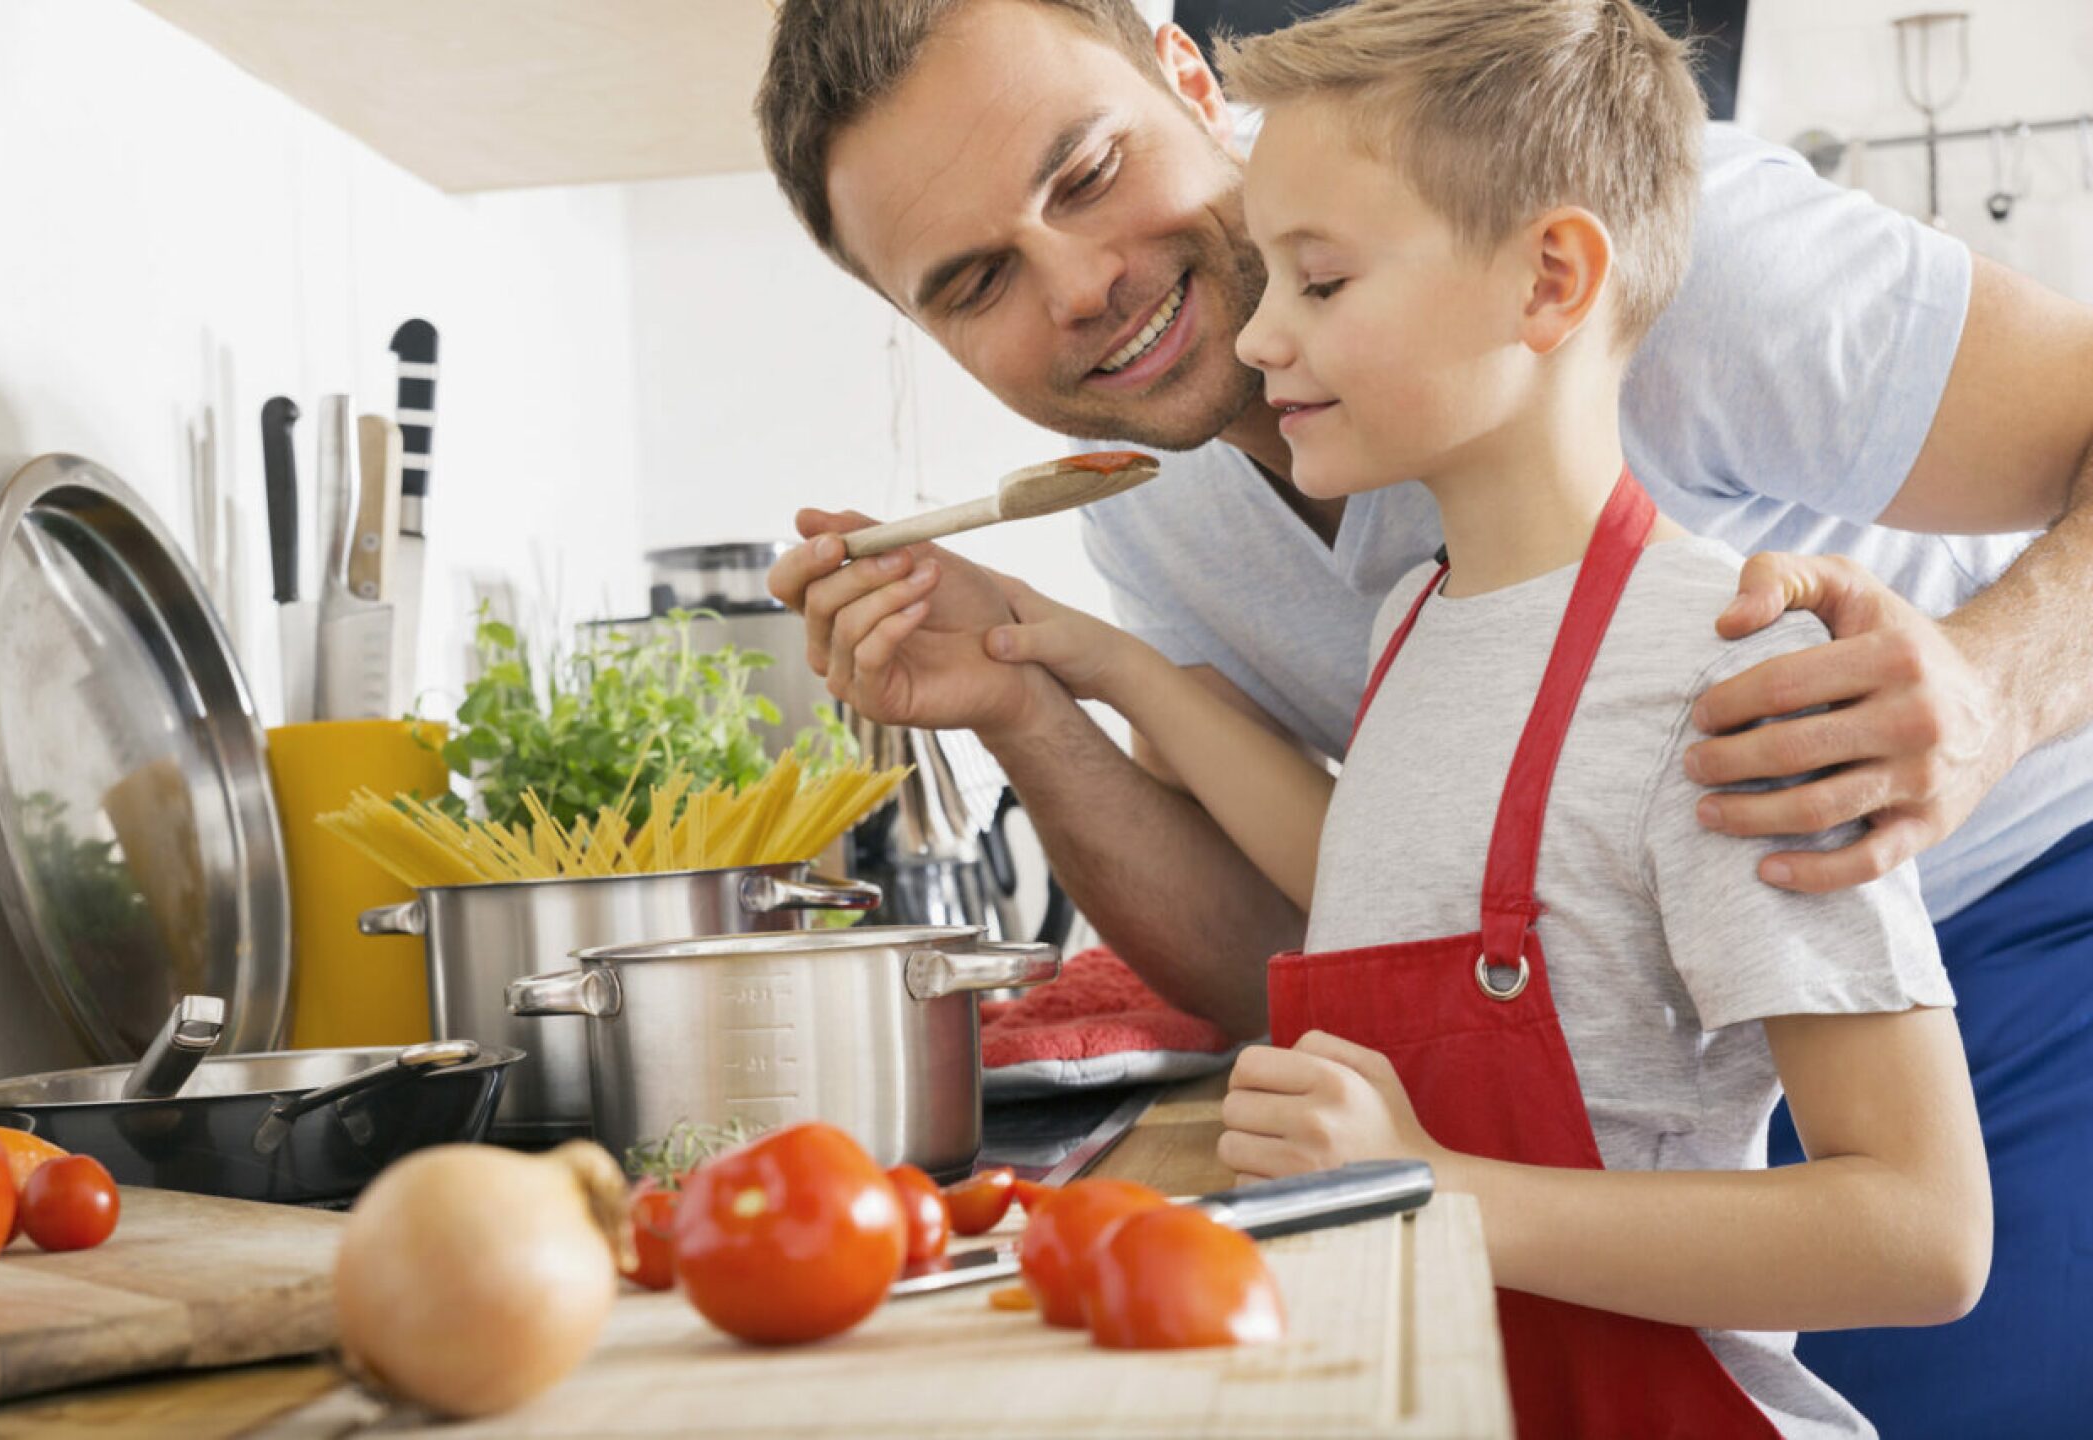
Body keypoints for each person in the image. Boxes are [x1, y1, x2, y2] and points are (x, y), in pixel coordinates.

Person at [755, 1, 2093, 1431]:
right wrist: (1032, 684)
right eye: (971, 280)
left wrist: (1989, 686)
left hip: (2002, 910)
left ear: (1189, 81)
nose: (1078, 287)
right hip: (1633, 1074)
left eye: (1083, 173)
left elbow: (1907, 1235)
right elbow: (1343, 916)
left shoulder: (1652, 258)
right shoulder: (1195, 507)